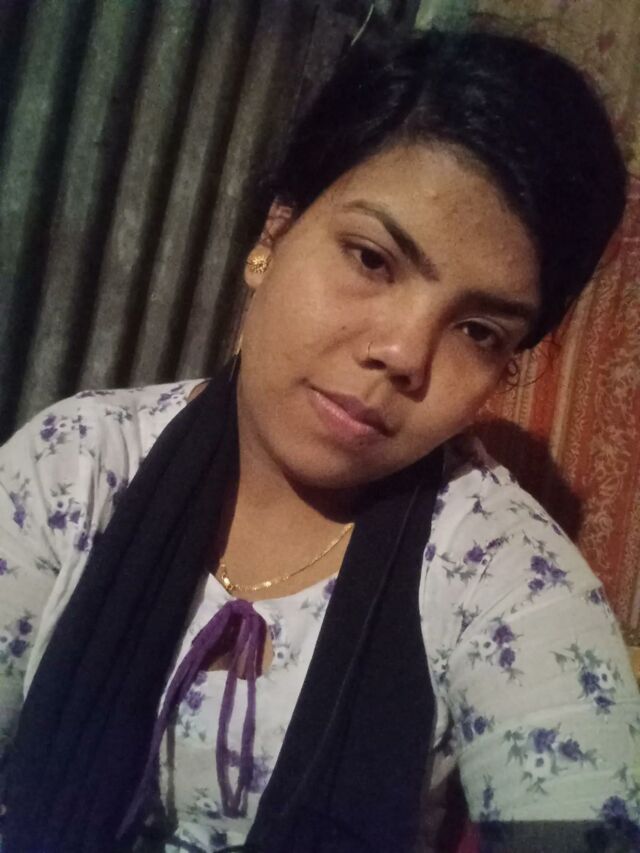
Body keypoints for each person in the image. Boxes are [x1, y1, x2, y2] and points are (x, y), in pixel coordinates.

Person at [0, 25, 638, 853]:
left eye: (479, 330)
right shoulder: (76, 467)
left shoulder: (500, 572)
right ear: (273, 236)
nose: (405, 354)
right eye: (372, 259)